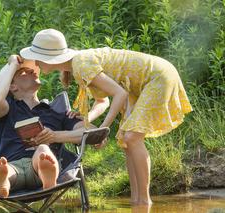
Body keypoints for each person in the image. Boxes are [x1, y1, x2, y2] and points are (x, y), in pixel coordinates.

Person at [20, 29, 193, 205]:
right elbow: (103, 101)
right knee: (126, 142)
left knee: (132, 138)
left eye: (37, 57)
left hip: (157, 77)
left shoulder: (81, 64)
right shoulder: (78, 65)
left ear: (49, 58)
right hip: (141, 85)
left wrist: (103, 130)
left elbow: (120, 94)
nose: (36, 63)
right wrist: (87, 118)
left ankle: (144, 201)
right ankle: (136, 201)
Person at [0, 56, 86, 198]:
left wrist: (55, 136)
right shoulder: (6, 109)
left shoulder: (56, 113)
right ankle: (2, 183)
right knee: (3, 169)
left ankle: (47, 177)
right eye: (25, 72)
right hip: (12, 165)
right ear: (13, 86)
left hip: (39, 167)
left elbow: (90, 131)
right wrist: (13, 64)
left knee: (43, 150)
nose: (34, 72)